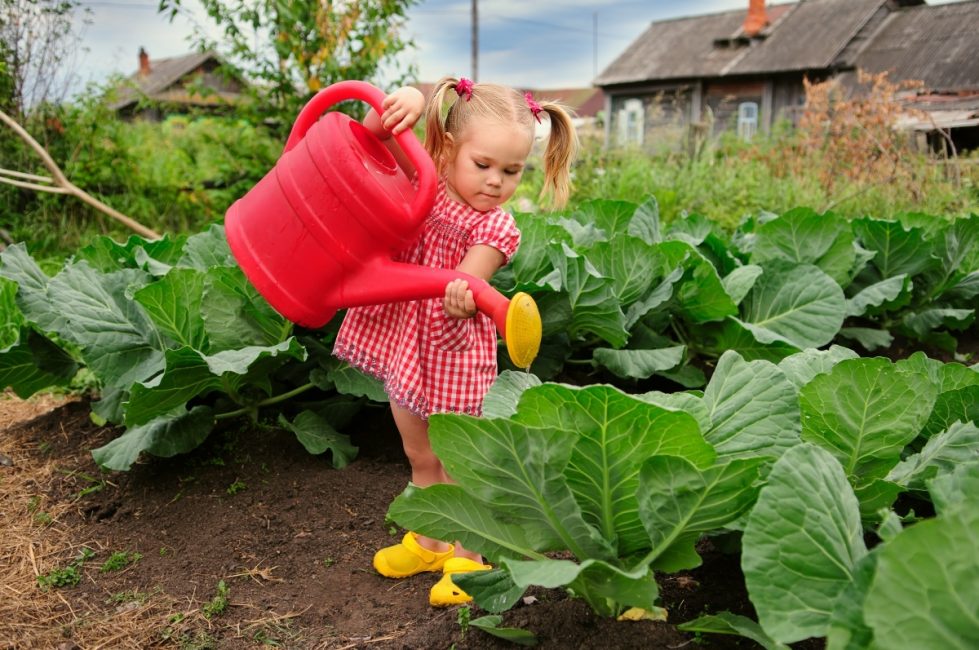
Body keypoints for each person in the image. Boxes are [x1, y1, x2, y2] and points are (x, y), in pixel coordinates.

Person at [332, 76, 577, 606]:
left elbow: (464, 280)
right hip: (406, 341)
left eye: (511, 172)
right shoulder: (428, 175)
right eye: (483, 165)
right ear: (448, 147)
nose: (495, 182)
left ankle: (469, 554)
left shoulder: (498, 227)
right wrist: (407, 105)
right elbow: (371, 137)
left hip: (451, 353)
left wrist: (464, 292)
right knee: (419, 454)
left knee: (459, 458)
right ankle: (429, 540)